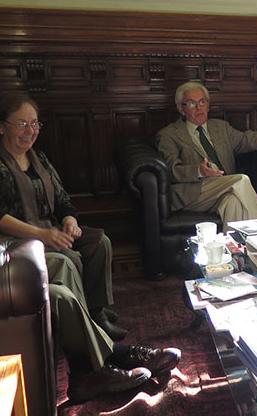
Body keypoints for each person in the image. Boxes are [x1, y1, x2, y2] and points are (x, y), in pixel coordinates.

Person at [0, 94, 182, 402]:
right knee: (67, 260)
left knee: (97, 241)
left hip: (49, 230)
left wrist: (69, 220)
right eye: (22, 123)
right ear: (2, 127)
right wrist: (44, 235)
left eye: (35, 124)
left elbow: (63, 200)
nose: (30, 131)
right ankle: (103, 359)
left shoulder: (38, 158)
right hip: (17, 243)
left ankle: (97, 316)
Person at [156, 81, 257, 226]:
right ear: (181, 109)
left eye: (202, 102)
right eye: (191, 103)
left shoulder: (220, 127)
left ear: (208, 105)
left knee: (232, 202)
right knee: (241, 180)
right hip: (193, 193)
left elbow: (244, 139)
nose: (199, 108)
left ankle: (236, 248)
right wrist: (199, 170)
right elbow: (171, 170)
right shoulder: (169, 135)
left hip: (224, 189)